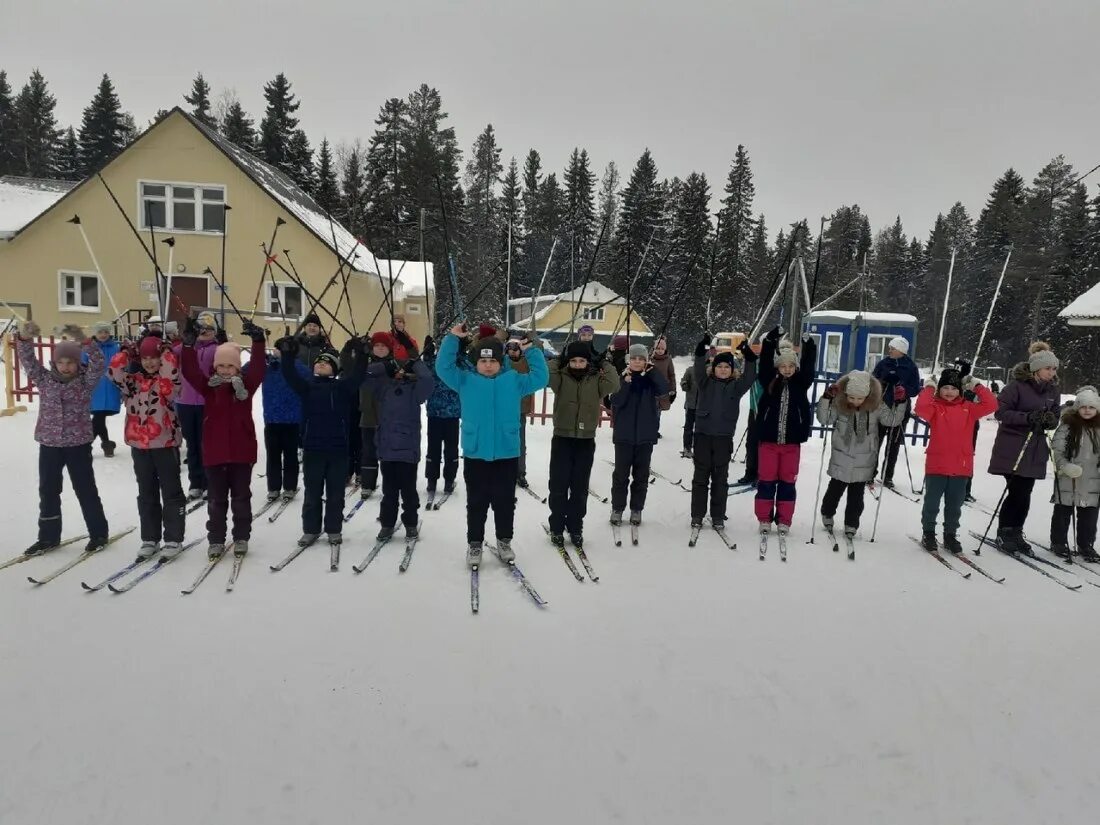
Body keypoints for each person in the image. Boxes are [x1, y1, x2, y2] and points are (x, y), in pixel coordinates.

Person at [435, 326, 549, 567]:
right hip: (476, 452)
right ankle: (474, 543)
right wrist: (453, 339)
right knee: (476, 501)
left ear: (501, 361)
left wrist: (532, 351)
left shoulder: (514, 381)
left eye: (493, 360)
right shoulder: (465, 381)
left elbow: (541, 377)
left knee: (504, 501)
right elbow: (442, 367)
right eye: (483, 360)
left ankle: (504, 540)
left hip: (506, 453)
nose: (488, 365)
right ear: (476, 362)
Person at [17, 322, 110, 556]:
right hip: (49, 444)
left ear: (78, 364)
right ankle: (48, 536)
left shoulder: (85, 382)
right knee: (48, 490)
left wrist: (85, 341)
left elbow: (99, 363)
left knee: (85, 489)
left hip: (77, 445)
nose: (66, 366)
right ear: (54, 363)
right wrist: (24, 338)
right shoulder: (44, 379)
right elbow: (27, 359)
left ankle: (98, 533)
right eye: (61, 362)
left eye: (70, 362)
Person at [180, 319, 266, 560]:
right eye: (221, 366)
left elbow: (259, 369)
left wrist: (258, 342)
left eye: (231, 366)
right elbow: (190, 371)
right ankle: (216, 539)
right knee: (217, 501)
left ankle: (241, 537)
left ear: (238, 368)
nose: (226, 370)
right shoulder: (208, 387)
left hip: (241, 452)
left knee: (241, 498)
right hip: (215, 454)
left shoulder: (245, 388)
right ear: (215, 367)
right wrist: (188, 347)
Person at [278, 337, 366, 547]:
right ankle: (310, 529)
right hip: (313, 449)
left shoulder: (342, 388)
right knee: (312, 493)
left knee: (336, 493)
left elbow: (359, 375)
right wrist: (288, 354)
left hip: (337, 450)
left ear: (335, 368)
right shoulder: (306, 387)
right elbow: (289, 375)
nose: (321, 363)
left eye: (327, 362)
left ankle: (334, 529)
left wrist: (362, 354)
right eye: (318, 361)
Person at [108, 334, 187, 560]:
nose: (150, 362)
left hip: (165, 442)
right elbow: (114, 372)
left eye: (154, 358)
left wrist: (166, 353)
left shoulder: (166, 383)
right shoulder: (132, 383)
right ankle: (149, 538)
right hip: (139, 445)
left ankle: (173, 537)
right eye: (145, 358)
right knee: (146, 492)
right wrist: (126, 352)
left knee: (171, 491)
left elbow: (171, 373)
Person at [988, 341, 1061, 554]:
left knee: (1025, 492)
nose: (1052, 372)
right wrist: (1027, 417)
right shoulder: (1016, 387)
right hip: (1013, 447)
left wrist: (1049, 419)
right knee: (1017, 491)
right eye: (1049, 368)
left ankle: (1016, 531)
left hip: (1035, 448)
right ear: (1037, 368)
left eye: (1054, 368)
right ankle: (1005, 531)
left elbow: (1055, 414)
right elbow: (1000, 412)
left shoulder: (1053, 390)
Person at [914, 368, 998, 551]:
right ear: (939, 390)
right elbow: (920, 408)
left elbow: (991, 404)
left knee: (954, 506)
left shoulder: (968, 408)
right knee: (932, 504)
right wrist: (928, 388)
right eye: (945, 388)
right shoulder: (935, 408)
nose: (949, 392)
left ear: (960, 390)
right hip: (937, 465)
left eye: (953, 388)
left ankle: (950, 534)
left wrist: (976, 385)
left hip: (961, 466)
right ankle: (928, 532)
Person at [815, 370, 905, 542]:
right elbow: (824, 418)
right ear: (845, 394)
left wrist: (900, 403)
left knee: (856, 497)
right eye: (852, 397)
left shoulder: (876, 406)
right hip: (841, 457)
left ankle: (851, 523)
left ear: (868, 396)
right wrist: (826, 399)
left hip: (865, 459)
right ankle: (827, 513)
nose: (855, 401)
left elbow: (891, 420)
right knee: (834, 491)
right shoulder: (840, 405)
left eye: (860, 398)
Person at [546, 341, 620, 548]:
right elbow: (548, 375)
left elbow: (614, 384)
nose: (577, 364)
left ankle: (576, 526)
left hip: (586, 440)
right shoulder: (561, 377)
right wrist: (558, 360)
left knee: (579, 487)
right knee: (559, 485)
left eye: (582, 361)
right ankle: (557, 527)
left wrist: (604, 363)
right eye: (573, 361)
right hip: (562, 438)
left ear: (588, 362)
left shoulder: (596, 379)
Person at [363, 343, 433, 540]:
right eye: (397, 367)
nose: (400, 372)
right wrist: (384, 366)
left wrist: (415, 363)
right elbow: (363, 376)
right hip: (386, 450)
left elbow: (428, 379)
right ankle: (387, 524)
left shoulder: (415, 392)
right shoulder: (382, 389)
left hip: (408, 451)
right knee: (389, 493)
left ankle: (410, 523)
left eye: (403, 369)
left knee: (409, 492)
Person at [754, 327, 817, 537]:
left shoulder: (801, 383)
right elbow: (763, 363)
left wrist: (808, 345)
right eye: (783, 366)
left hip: (791, 444)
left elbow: (809, 366)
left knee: (788, 482)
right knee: (766, 480)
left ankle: (784, 519)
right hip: (768, 443)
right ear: (778, 367)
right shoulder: (769, 381)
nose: (787, 369)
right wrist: (771, 340)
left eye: (791, 365)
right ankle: (764, 518)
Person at [690, 335, 757, 531]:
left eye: (727, 367)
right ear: (714, 368)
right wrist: (701, 349)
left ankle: (718, 515)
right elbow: (698, 367)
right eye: (720, 366)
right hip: (703, 436)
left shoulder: (736, 387)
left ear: (732, 370)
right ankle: (697, 514)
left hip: (723, 438)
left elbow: (750, 376)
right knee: (700, 477)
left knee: (720, 479)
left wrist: (749, 355)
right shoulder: (705, 383)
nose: (723, 370)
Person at [610, 343, 669, 526]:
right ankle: (617, 508)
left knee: (641, 476)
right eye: (634, 358)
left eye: (641, 359)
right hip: (624, 436)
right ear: (629, 360)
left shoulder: (650, 378)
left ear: (646, 361)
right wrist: (626, 384)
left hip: (645, 436)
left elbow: (664, 389)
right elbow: (615, 401)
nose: (637, 362)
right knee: (621, 475)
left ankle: (637, 509)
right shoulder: (621, 378)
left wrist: (652, 372)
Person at [1048, 386, 1100, 562]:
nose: (1087, 410)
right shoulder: (1067, 426)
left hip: (1093, 479)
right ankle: (1058, 542)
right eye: (1084, 407)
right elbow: (1057, 449)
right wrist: (1065, 466)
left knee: (1089, 515)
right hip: (1068, 477)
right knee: (1063, 511)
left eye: (1091, 407)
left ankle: (1086, 544)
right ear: (1077, 407)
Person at [173, 311, 220, 500]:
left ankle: (210, 482)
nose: (205, 332)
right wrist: (186, 338)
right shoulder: (186, 348)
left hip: (207, 402)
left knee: (206, 444)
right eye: (201, 328)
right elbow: (169, 353)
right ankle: (195, 482)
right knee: (192, 443)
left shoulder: (218, 348)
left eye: (210, 329)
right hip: (184, 401)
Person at [262, 345, 310, 502]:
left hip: (292, 419)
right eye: (277, 349)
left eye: (283, 350)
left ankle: (290, 486)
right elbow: (248, 370)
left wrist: (289, 360)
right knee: (273, 456)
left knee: (290, 455)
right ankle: (273, 487)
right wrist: (261, 358)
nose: (279, 352)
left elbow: (309, 377)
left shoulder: (297, 366)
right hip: (272, 418)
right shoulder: (269, 366)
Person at [871, 336, 921, 489]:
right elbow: (873, 381)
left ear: (901, 350)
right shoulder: (883, 363)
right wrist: (882, 382)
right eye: (890, 348)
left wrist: (903, 390)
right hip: (882, 408)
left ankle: (887, 476)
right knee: (875, 443)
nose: (890, 350)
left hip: (900, 410)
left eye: (893, 348)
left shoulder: (911, 366)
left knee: (893, 445)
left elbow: (915, 389)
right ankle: (869, 474)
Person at [355, 332, 395, 498]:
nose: (379, 349)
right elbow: (350, 367)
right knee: (368, 451)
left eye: (383, 346)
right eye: (376, 346)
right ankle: (367, 483)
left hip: (388, 417)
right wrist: (356, 350)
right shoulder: (365, 362)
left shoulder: (393, 366)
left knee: (388, 452)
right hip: (368, 416)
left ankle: (391, 483)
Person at [422, 334, 462, 499]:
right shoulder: (433, 361)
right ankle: (432, 480)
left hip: (452, 413)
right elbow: (424, 372)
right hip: (435, 413)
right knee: (434, 449)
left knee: (451, 449)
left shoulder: (457, 361)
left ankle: (449, 480)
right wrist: (426, 355)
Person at [505, 336, 537, 488]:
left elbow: (539, 364)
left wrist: (531, 344)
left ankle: (520, 473)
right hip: (505, 410)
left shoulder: (526, 362)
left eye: (515, 350)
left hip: (520, 410)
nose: (512, 353)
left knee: (520, 443)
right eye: (510, 350)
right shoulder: (503, 362)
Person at [86, 322, 121, 457]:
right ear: (95, 333)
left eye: (106, 332)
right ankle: (102, 445)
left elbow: (121, 365)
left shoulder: (115, 348)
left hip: (111, 387)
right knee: (99, 417)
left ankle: (101, 444)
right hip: (95, 388)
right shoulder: (89, 348)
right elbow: (83, 365)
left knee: (99, 418)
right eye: (100, 332)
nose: (103, 335)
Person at [737, 378, 763, 486]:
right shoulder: (754, 365)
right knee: (751, 443)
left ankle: (760, 474)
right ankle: (750, 472)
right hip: (754, 408)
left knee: (762, 444)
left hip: (766, 408)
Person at [649, 335, 676, 436]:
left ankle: (654, 431)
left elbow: (671, 374)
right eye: (658, 348)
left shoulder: (668, 359)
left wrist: (673, 389)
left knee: (657, 412)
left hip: (662, 390)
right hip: (649, 390)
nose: (660, 350)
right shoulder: (649, 358)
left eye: (662, 349)